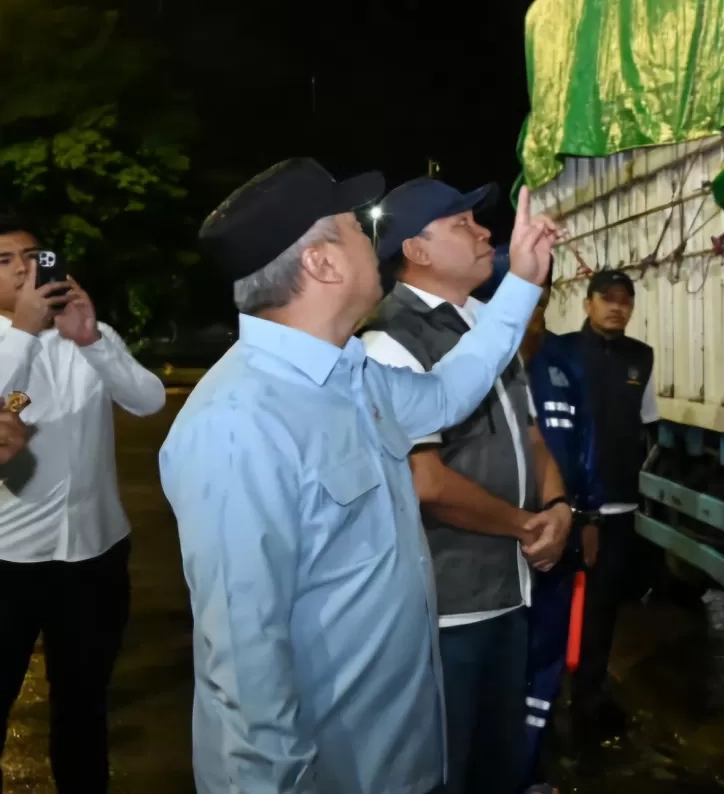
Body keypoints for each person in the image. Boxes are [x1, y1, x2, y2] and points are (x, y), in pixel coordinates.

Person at [159, 158, 556, 794]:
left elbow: (448, 392)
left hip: (398, 757)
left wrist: (523, 285)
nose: (374, 240)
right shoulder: (237, 425)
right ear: (322, 264)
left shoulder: (353, 377)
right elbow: (245, 670)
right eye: (353, 226)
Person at [359, 178, 573, 794]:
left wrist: (559, 506)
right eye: (462, 224)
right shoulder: (390, 339)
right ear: (417, 250)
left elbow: (530, 433)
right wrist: (527, 526)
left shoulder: (486, 322)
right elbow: (425, 481)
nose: (484, 233)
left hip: (509, 590)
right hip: (447, 607)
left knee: (496, 768)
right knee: (444, 772)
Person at [0, 215, 166, 792]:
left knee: (84, 705)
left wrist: (93, 340)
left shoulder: (85, 333)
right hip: (9, 560)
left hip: (95, 555)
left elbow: (148, 400)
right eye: (4, 261)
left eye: (32, 256)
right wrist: (23, 332)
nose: (22, 269)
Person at [521, 269, 656, 770]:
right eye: (607, 298)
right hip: (566, 507)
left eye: (625, 300)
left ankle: (589, 700)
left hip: (618, 506)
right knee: (549, 611)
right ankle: (541, 706)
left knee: (601, 612)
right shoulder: (560, 353)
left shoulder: (641, 357)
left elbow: (643, 424)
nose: (616, 307)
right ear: (587, 303)